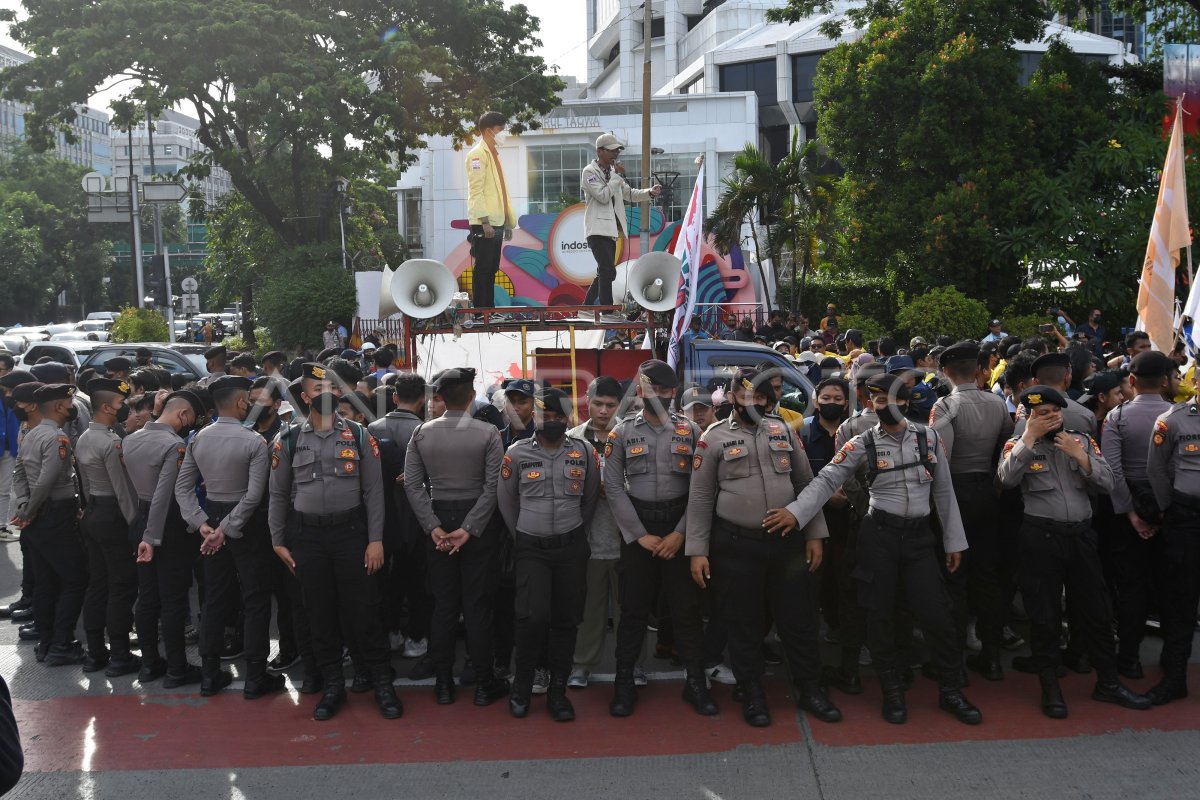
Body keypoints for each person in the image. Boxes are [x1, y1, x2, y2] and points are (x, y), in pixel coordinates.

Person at [766, 374, 982, 726]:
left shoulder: (929, 438)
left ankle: (951, 690)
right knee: (879, 615)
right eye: (879, 400)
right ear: (870, 404)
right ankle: (891, 690)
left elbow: (944, 491)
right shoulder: (860, 443)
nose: (887, 406)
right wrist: (795, 513)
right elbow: (826, 481)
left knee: (936, 614)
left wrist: (953, 541)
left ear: (907, 402)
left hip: (919, 539)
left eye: (895, 399)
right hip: (878, 536)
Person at [687, 368, 841, 727]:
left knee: (799, 620)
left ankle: (810, 689)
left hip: (787, 545)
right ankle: (752, 692)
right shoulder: (712, 438)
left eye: (761, 398)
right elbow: (699, 498)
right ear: (732, 398)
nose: (753, 403)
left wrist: (816, 532)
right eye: (745, 397)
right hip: (737, 546)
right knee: (744, 622)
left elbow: (806, 483)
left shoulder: (784, 430)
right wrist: (697, 550)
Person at [995, 386, 1151, 718]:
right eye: (1041, 414)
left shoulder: (1080, 440)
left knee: (1096, 610)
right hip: (1041, 537)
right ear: (1029, 416)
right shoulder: (1018, 443)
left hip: (1081, 536)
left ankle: (1108, 683)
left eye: (1054, 412)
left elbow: (1108, 483)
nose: (1049, 419)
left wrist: (1079, 456)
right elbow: (1005, 479)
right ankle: (1050, 687)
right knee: (1045, 615)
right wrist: (1029, 439)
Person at [268, 363, 401, 721]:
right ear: (304, 396)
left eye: (331, 387)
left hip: (351, 535)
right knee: (319, 613)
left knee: (365, 611)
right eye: (317, 388)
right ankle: (332, 686)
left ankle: (382, 683)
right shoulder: (288, 439)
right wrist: (277, 539)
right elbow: (277, 495)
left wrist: (376, 541)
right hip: (308, 538)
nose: (325, 393)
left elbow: (375, 493)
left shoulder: (360, 435)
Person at [603, 359, 717, 718]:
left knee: (686, 611)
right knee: (633, 610)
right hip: (639, 531)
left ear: (672, 393)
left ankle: (695, 683)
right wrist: (639, 536)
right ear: (640, 391)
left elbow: (702, 489)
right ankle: (624, 684)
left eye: (665, 391)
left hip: (678, 527)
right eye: (651, 389)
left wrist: (681, 534)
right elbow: (611, 487)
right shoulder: (620, 433)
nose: (659, 396)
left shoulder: (690, 432)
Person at [404, 367, 510, 707]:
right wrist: (471, 527)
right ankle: (483, 683)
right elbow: (494, 486)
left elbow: (412, 484)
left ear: (441, 398)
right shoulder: (488, 433)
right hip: (476, 524)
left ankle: (443, 683)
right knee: (477, 605)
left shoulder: (421, 433)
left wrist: (431, 525)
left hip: (438, 521)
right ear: (469, 397)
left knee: (444, 606)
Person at [175, 375, 284, 699]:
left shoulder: (198, 439)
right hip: (246, 526)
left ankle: (210, 674)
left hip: (212, 521)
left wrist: (204, 524)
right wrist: (226, 528)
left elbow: (182, 489)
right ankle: (254, 676)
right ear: (240, 402)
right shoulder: (253, 441)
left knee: (214, 600)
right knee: (255, 599)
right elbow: (254, 495)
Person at [497, 388, 600, 720]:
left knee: (565, 620)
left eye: (558, 417)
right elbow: (506, 501)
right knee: (531, 618)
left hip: (570, 548)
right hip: (531, 548)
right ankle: (522, 688)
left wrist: (572, 533)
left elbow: (590, 497)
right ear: (535, 417)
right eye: (546, 416)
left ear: (567, 419)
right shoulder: (516, 453)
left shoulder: (583, 452)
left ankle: (558, 691)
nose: (551, 422)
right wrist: (525, 534)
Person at [928, 342, 1015, 681]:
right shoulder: (996, 403)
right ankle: (991, 658)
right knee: (987, 577)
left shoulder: (946, 405)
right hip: (988, 492)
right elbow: (1006, 448)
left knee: (954, 577)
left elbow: (939, 458)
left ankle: (953, 664)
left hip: (956, 494)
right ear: (978, 369)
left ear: (945, 371)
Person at [124, 389, 207, 687]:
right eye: (190, 420)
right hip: (166, 526)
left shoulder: (130, 439)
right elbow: (164, 496)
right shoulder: (174, 446)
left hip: (140, 519)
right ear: (183, 415)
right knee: (172, 600)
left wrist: (142, 531)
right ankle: (176, 669)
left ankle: (149, 664)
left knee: (146, 597)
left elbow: (135, 493)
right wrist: (153, 537)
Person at [1101, 351, 1174, 679]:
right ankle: (1173, 661)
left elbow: (1112, 472)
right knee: (1171, 587)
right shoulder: (1179, 415)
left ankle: (1129, 659)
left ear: (1130, 381)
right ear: (1165, 381)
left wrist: (1131, 514)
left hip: (1127, 515)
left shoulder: (1116, 418)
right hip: (1171, 514)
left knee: (1131, 589)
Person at [9, 383, 89, 666]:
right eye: (68, 403)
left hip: (38, 517)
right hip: (55, 514)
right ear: (58, 407)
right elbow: (48, 479)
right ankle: (61, 643)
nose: (71, 408)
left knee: (46, 581)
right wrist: (29, 509)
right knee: (76, 579)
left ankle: (46, 642)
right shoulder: (57, 438)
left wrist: (24, 506)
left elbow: (20, 473)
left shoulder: (31, 434)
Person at [567, 377, 635, 689]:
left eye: (610, 405)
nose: (604, 410)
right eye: (598, 403)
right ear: (587, 400)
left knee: (629, 610)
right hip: (589, 541)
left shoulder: (633, 436)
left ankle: (633, 665)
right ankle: (582, 664)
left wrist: (620, 489)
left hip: (628, 540)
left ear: (619, 405)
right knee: (588, 609)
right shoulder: (571, 440)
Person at [75, 378, 141, 676]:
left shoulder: (85, 438)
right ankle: (120, 655)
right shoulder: (112, 442)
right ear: (105, 407)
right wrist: (134, 525)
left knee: (97, 584)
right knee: (121, 585)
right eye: (119, 404)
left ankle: (95, 652)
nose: (123, 408)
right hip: (113, 515)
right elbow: (123, 489)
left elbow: (86, 485)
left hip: (93, 514)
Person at [1145, 365, 1200, 704]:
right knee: (1181, 602)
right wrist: (1168, 510)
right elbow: (1156, 469)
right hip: (1186, 519)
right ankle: (1175, 676)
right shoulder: (1173, 420)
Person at [368, 372, 432, 661]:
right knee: (417, 582)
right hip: (418, 520)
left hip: (380, 519)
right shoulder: (426, 430)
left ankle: (390, 632)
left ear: (394, 397)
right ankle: (416, 637)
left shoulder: (371, 428)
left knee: (385, 582)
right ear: (423, 400)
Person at [581, 133, 660, 313]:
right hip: (597, 229)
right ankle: (607, 310)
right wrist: (617, 177)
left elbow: (629, 194)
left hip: (611, 231)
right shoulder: (589, 172)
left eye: (617, 150)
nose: (615, 154)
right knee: (608, 270)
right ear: (599, 151)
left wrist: (649, 192)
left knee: (604, 270)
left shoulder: (613, 174)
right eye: (611, 151)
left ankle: (585, 307)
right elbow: (602, 196)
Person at [465, 111, 517, 309]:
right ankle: (481, 312)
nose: (504, 133)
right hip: (485, 222)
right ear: (489, 131)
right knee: (483, 268)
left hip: (497, 221)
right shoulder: (477, 154)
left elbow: (501, 191)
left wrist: (508, 222)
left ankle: (489, 310)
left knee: (492, 268)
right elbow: (475, 190)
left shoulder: (494, 153)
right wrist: (484, 221)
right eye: (501, 129)